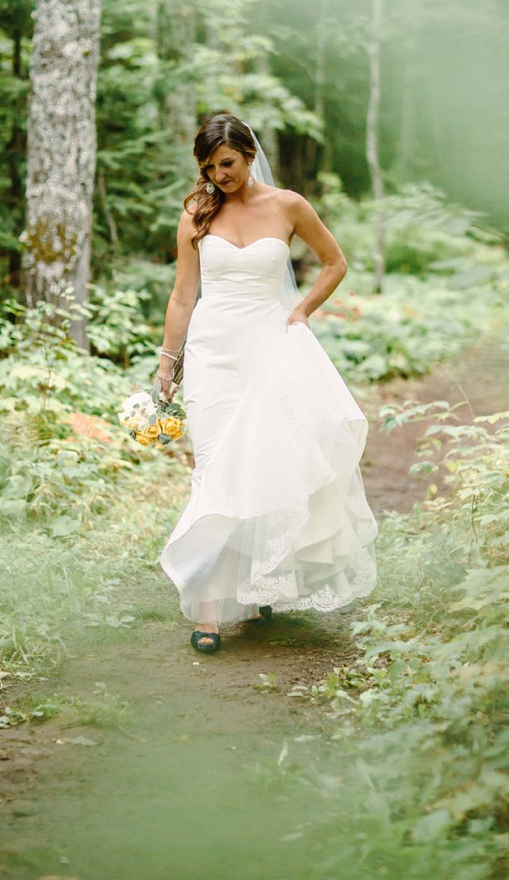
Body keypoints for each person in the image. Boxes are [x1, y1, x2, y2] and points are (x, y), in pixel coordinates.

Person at [155, 112, 378, 654]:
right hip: (212, 355)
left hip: (267, 350)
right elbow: (184, 295)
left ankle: (256, 587)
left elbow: (334, 263)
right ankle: (207, 608)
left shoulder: (288, 205)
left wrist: (301, 312)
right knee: (212, 469)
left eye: (226, 163)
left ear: (249, 154)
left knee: (262, 464)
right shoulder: (196, 214)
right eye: (209, 168)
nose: (219, 176)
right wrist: (168, 364)